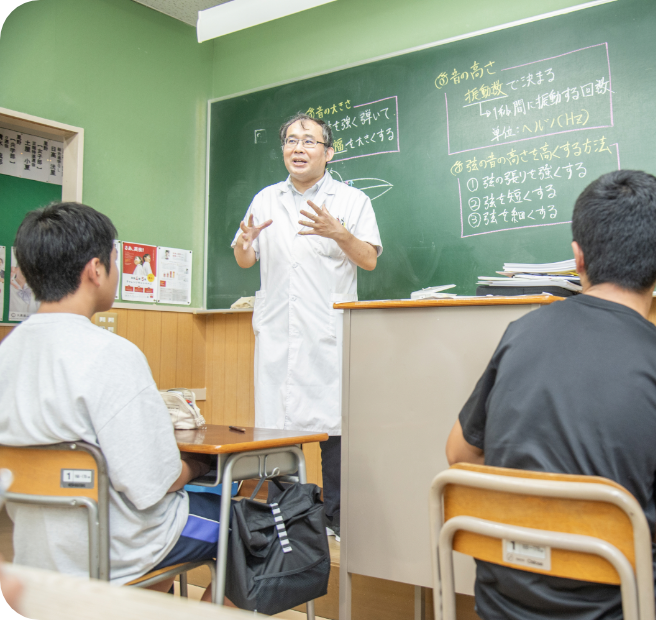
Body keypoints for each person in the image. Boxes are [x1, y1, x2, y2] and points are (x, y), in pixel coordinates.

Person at [446, 170, 656, 620]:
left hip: (503, 602)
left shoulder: (521, 335)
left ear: (577, 257)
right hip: (619, 608)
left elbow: (459, 454)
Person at [0, 203, 229, 602]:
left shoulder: (9, 350)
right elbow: (151, 487)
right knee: (254, 528)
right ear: (95, 269)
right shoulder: (112, 354)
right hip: (118, 544)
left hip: (37, 550)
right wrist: (198, 465)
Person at [232, 113, 382, 539]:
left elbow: (369, 259)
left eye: (309, 141)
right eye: (291, 141)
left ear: (328, 152)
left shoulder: (352, 201)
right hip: (279, 330)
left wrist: (339, 233)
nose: (298, 148)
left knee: (334, 427)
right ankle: (287, 519)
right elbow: (246, 259)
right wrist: (244, 244)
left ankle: (336, 519)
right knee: (280, 426)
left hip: (328, 333)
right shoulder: (265, 199)